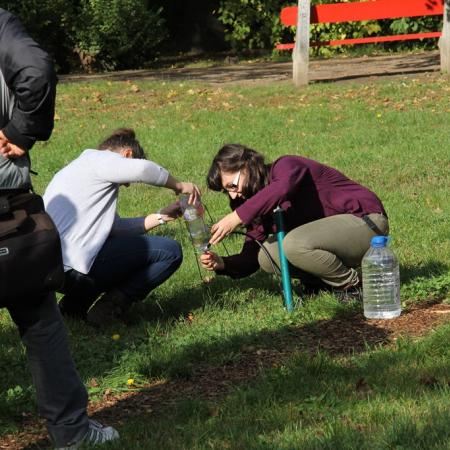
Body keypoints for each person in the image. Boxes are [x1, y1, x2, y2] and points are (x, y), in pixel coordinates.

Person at [0, 7, 118, 449]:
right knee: (40, 322)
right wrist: (20, 129)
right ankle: (71, 432)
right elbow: (36, 67)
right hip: (7, 208)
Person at [43, 128, 200, 326]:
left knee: (116, 252)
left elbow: (115, 229)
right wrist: (180, 186)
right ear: (127, 155)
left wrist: (161, 217)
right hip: (74, 268)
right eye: (128, 180)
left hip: (53, 268)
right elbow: (143, 170)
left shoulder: (80, 168)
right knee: (170, 251)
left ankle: (71, 309)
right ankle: (108, 309)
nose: (126, 185)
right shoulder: (102, 160)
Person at [200, 144, 389, 299]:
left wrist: (237, 216)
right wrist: (223, 264)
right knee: (268, 255)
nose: (233, 194)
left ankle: (353, 285)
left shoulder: (286, 166)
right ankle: (323, 284)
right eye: (227, 191)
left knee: (292, 243)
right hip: (333, 239)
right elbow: (252, 255)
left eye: (232, 185)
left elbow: (282, 188)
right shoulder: (255, 204)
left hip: (367, 223)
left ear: (247, 166)